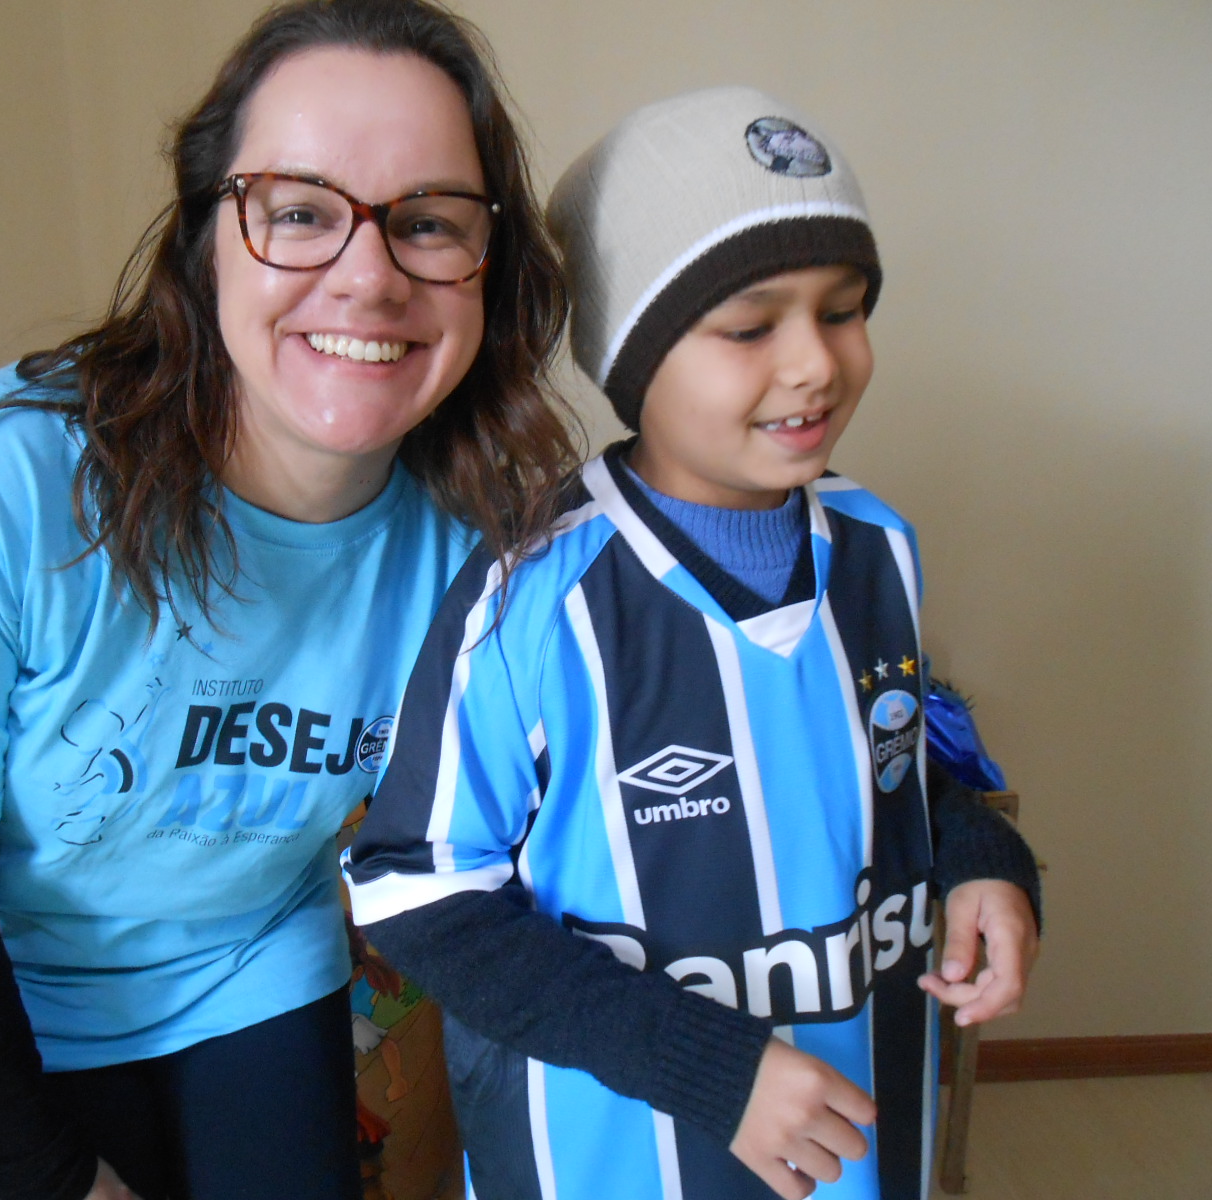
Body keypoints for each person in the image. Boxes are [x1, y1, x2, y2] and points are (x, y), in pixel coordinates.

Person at [0, 3, 576, 1198]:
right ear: (204, 237)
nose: (367, 278)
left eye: (427, 221)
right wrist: (40, 1175)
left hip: (252, 963)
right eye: (301, 213)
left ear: (489, 266)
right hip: (8, 989)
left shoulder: (483, 533)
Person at [342, 87, 1042, 1200]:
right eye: (751, 326)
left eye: (845, 308)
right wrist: (702, 1067)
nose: (814, 363)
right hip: (610, 1163)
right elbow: (414, 896)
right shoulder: (532, 596)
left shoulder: (876, 546)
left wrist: (982, 869)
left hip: (858, 1153)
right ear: (633, 352)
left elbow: (897, 776)